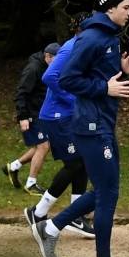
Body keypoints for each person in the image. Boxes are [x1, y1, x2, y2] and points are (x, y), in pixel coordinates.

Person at [28, 0, 129, 257]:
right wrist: (105, 89)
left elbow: (104, 79)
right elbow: (67, 79)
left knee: (108, 190)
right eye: (126, 8)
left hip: (102, 124)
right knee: (107, 193)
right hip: (91, 128)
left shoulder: (108, 38)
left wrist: (123, 71)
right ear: (110, 9)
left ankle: (50, 227)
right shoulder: (92, 37)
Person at [22, 33, 95, 239]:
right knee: (74, 164)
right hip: (57, 117)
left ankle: (76, 214)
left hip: (68, 116)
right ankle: (38, 212)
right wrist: (72, 99)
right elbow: (49, 77)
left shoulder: (85, 47)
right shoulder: (72, 47)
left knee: (81, 161)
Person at [1, 42, 58, 194]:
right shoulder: (33, 69)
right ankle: (31, 183)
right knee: (43, 146)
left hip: (42, 112)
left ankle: (13, 167)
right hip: (31, 114)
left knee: (42, 146)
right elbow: (21, 93)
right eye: (57, 59)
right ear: (48, 56)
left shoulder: (48, 66)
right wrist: (23, 116)